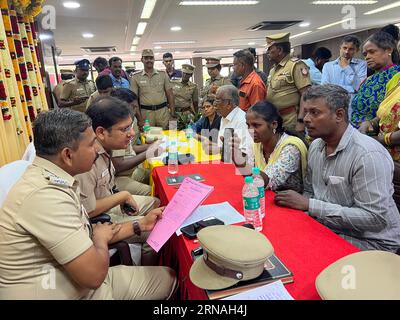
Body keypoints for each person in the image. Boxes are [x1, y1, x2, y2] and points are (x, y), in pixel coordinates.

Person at [0, 108, 177, 299]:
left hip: (70, 276)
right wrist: (100, 240)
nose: (96, 149)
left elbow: (85, 232)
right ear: (68, 155)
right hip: (68, 289)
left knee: (166, 275)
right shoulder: (46, 198)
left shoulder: (51, 178)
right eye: (92, 144)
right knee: (169, 279)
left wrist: (140, 225)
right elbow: (93, 277)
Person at [275, 84, 400, 252]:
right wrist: (306, 209)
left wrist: (310, 206)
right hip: (331, 228)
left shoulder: (367, 155)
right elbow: (311, 192)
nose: (305, 119)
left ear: (339, 115)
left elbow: (375, 218)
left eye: (314, 112)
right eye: (305, 112)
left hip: (372, 242)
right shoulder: (316, 146)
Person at [75, 97, 161, 223]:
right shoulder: (87, 159)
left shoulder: (108, 146)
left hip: (111, 202)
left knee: (156, 203)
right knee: (157, 225)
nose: (131, 133)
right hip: (99, 219)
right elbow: (88, 210)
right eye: (124, 129)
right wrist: (122, 197)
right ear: (101, 132)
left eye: (131, 127)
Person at [359, 72, 400, 209]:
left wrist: (381, 140)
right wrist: (371, 123)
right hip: (384, 156)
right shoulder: (396, 79)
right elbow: (385, 112)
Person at [247, 101, 308, 193]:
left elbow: (270, 181)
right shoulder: (256, 145)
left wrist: (241, 162)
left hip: (290, 204)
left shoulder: (291, 147)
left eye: (256, 125)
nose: (251, 130)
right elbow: (250, 178)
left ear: (274, 124)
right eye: (248, 125)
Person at [110, 88, 160, 197]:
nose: (135, 111)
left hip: (130, 172)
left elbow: (130, 149)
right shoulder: (114, 130)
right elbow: (119, 166)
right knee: (155, 192)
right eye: (133, 107)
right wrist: (148, 153)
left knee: (157, 175)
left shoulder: (123, 123)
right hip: (117, 178)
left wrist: (150, 146)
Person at [351, 31, 400, 128]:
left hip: (378, 136)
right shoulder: (368, 80)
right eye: (365, 54)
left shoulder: (397, 75)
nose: (367, 57)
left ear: (388, 50)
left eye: (372, 52)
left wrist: (372, 124)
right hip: (356, 133)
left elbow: (391, 111)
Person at [265, 32, 312, 132]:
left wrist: (301, 121)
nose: (267, 52)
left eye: (270, 49)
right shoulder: (273, 70)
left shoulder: (296, 65)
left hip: (291, 120)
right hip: (276, 119)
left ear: (280, 50)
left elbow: (306, 94)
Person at [321, 35, 367, 117]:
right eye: (344, 48)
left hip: (353, 109)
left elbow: (360, 88)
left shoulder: (361, 64)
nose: (346, 51)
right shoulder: (328, 66)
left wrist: (346, 67)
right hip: (332, 106)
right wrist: (351, 90)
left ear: (357, 50)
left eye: (351, 49)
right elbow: (325, 88)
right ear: (340, 48)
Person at [131, 49, 175, 129]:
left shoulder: (163, 74)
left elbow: (170, 95)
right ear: (142, 60)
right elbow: (134, 100)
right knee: (148, 138)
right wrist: (139, 119)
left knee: (167, 136)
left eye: (151, 58)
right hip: (146, 115)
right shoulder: (135, 77)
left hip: (163, 113)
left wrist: (172, 114)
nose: (149, 60)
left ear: (154, 59)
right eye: (146, 58)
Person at [214, 85, 253, 160]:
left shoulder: (243, 121)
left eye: (217, 100)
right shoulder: (224, 117)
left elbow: (246, 154)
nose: (214, 104)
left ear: (228, 104)